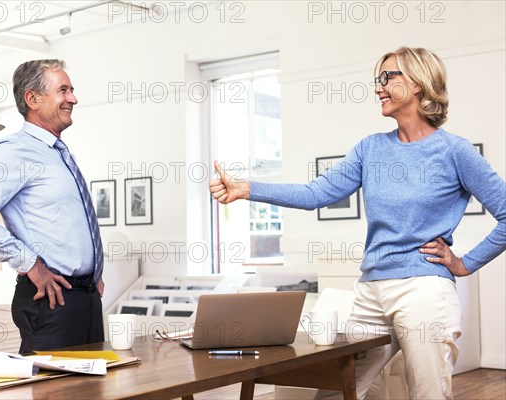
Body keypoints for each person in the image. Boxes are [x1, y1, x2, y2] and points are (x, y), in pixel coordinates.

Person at [210, 47, 505, 399]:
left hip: (424, 290)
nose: (378, 88)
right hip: (371, 290)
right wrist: (247, 189)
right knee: (337, 389)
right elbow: (315, 194)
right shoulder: (370, 149)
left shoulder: (454, 151)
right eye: (376, 79)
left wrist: (464, 263)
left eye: (387, 78)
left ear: (418, 84)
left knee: (428, 394)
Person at [0, 59, 105, 354]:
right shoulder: (16, 152)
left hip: (83, 299)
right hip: (51, 301)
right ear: (33, 99)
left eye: (71, 90)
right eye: (63, 91)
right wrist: (30, 263)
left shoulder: (57, 153)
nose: (73, 98)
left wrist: (92, 275)